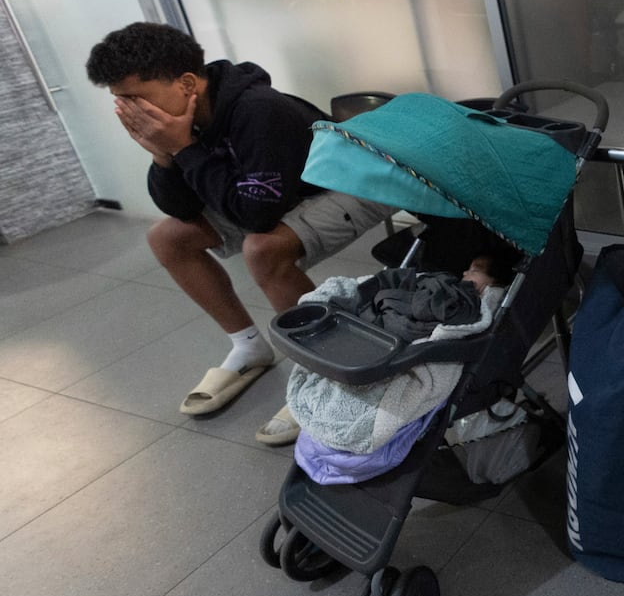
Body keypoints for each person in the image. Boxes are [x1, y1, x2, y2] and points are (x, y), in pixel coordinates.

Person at [84, 22, 393, 446]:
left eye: (137, 97)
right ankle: (249, 347)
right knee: (167, 237)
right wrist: (164, 154)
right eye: (120, 100)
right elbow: (182, 208)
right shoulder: (181, 117)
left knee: (263, 249)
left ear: (187, 83)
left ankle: (333, 377)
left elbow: (257, 217)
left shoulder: (257, 109)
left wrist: (184, 150)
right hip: (277, 195)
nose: (131, 111)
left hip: (349, 185)